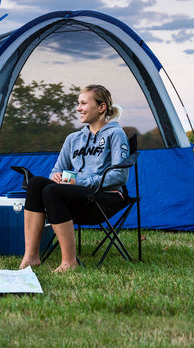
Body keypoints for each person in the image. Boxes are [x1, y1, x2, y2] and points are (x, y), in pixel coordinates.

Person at [19, 84, 130, 273]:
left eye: (84, 103)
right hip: (76, 196)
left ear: (101, 107)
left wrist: (79, 182)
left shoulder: (115, 134)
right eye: (78, 103)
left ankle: (69, 262)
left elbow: (120, 176)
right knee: (37, 183)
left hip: (103, 197)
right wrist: (56, 176)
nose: (78, 108)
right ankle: (31, 257)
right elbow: (57, 169)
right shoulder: (73, 139)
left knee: (52, 190)